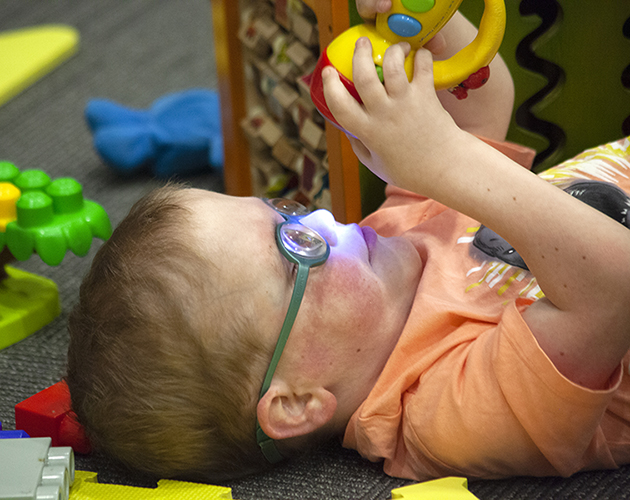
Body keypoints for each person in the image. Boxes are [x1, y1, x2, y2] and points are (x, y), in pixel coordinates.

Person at [66, 1, 630, 483]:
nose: (320, 218)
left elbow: (482, 106)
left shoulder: (391, 240)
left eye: (284, 210)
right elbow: (613, 286)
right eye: (297, 250)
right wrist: (444, 163)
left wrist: (420, 23)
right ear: (295, 403)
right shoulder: (441, 413)